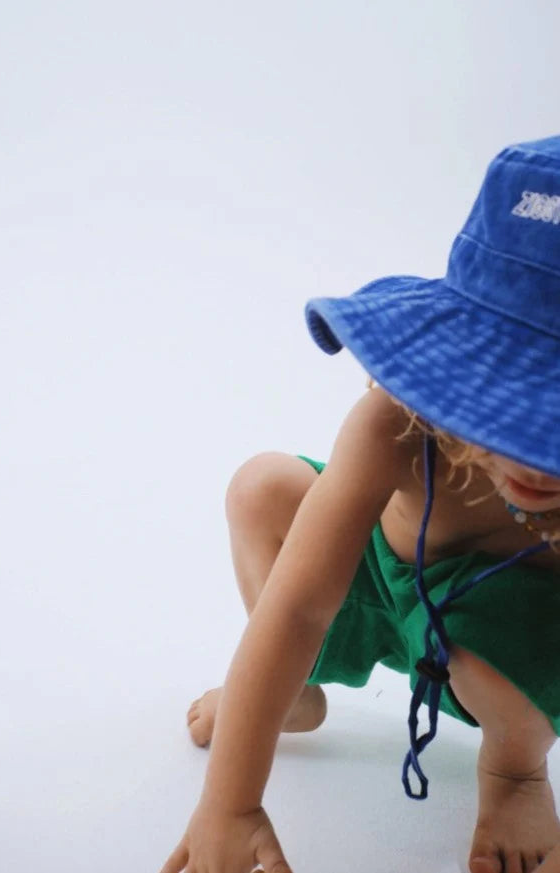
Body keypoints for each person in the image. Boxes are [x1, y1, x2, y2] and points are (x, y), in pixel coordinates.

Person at [160, 136, 560, 873]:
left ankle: (513, 771)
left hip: (496, 631)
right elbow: (296, 606)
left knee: (478, 649)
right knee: (261, 487)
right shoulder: (396, 424)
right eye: (517, 405)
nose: (534, 459)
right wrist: (230, 801)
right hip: (375, 576)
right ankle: (296, 692)